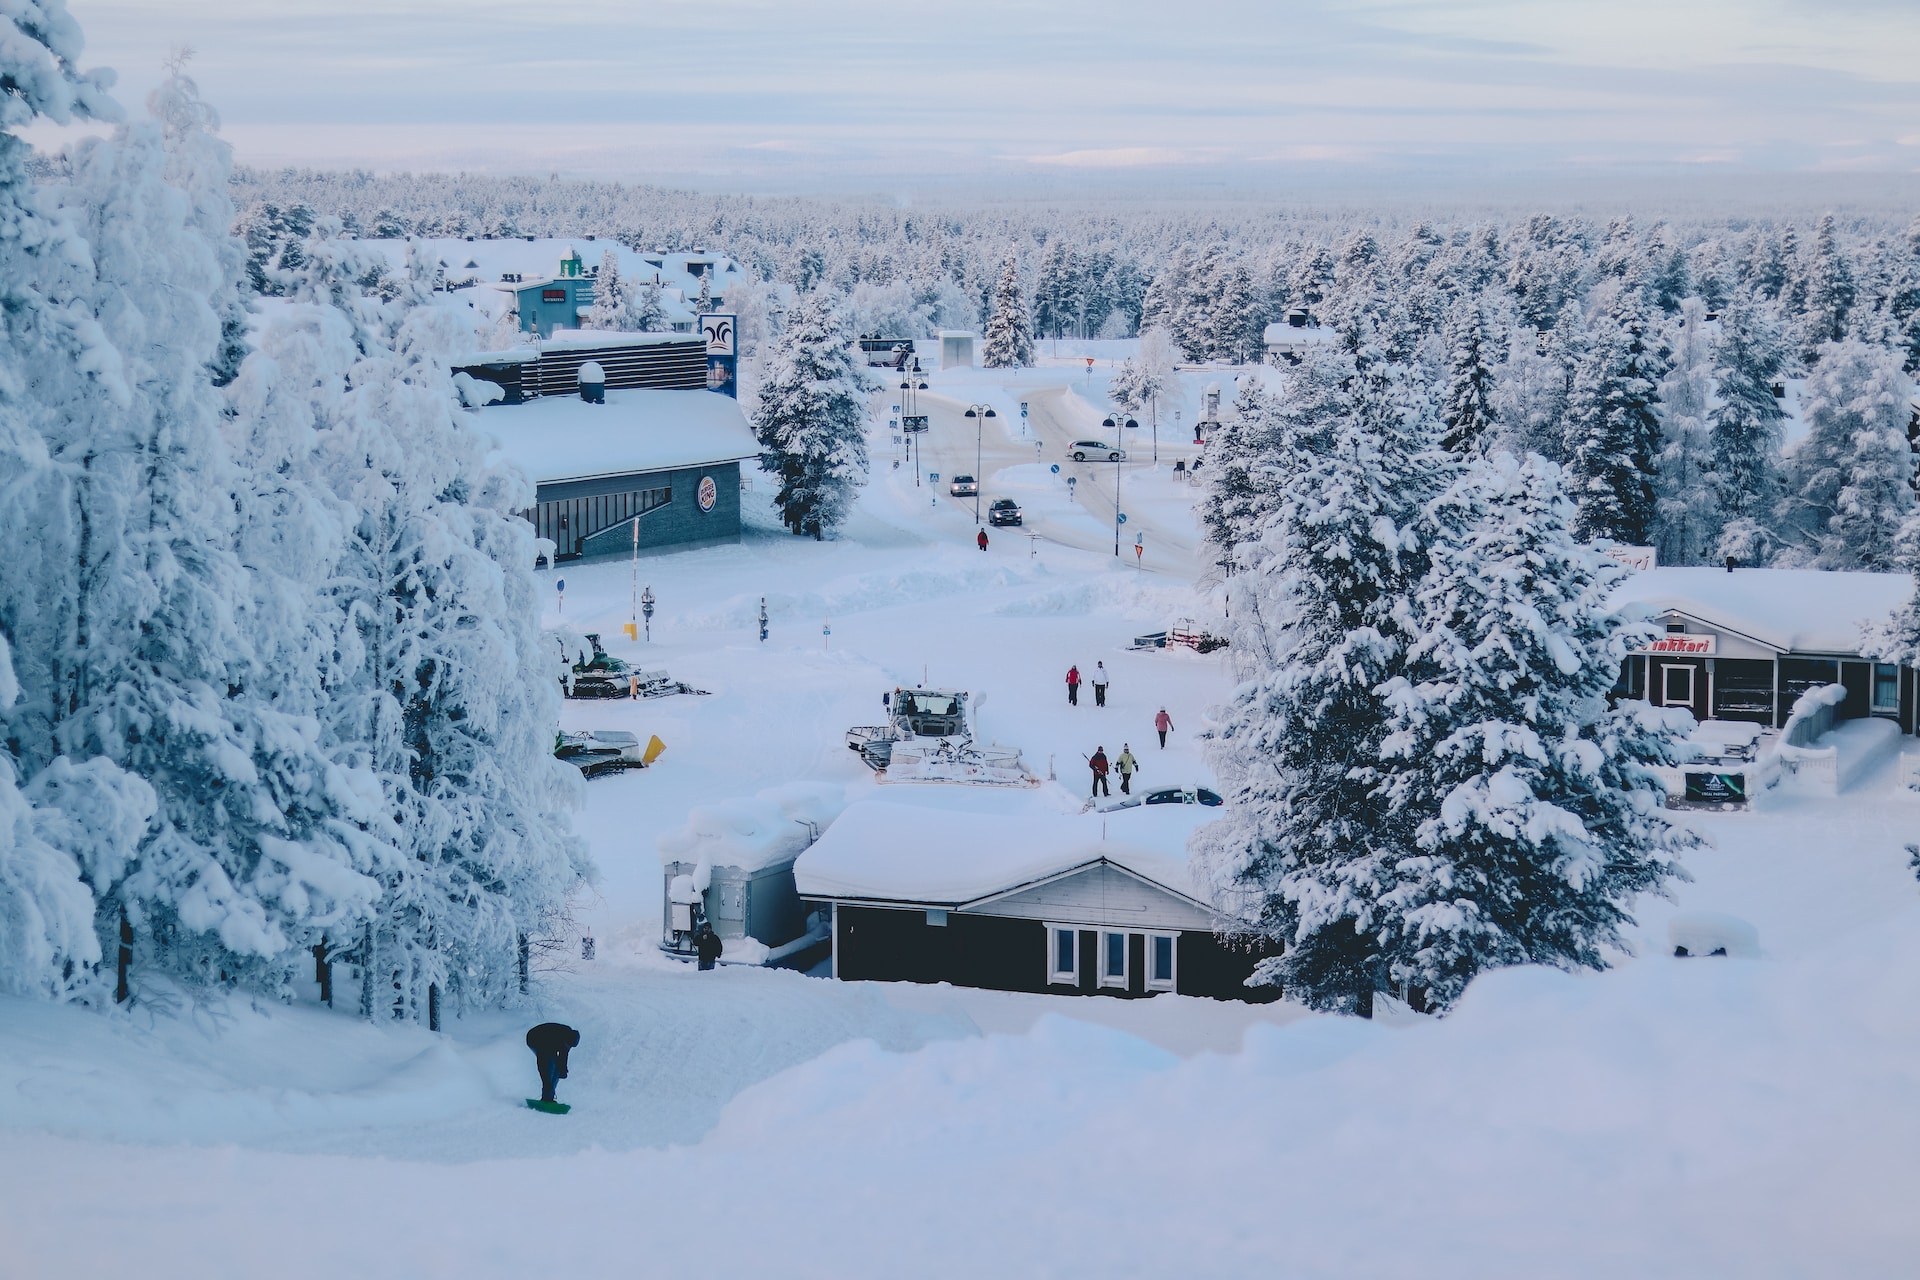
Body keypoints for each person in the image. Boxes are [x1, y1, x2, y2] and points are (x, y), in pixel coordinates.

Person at [525, 1022, 581, 1105]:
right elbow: (542, 1064)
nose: (568, 1047)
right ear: (564, 1039)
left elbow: (563, 1055)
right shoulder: (554, 1038)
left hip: (549, 1044)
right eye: (567, 1045)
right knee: (549, 1065)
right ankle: (547, 1097)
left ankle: (549, 1096)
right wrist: (546, 1082)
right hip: (534, 1038)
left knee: (557, 1068)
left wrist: (563, 1069)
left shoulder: (567, 1039)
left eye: (570, 1046)